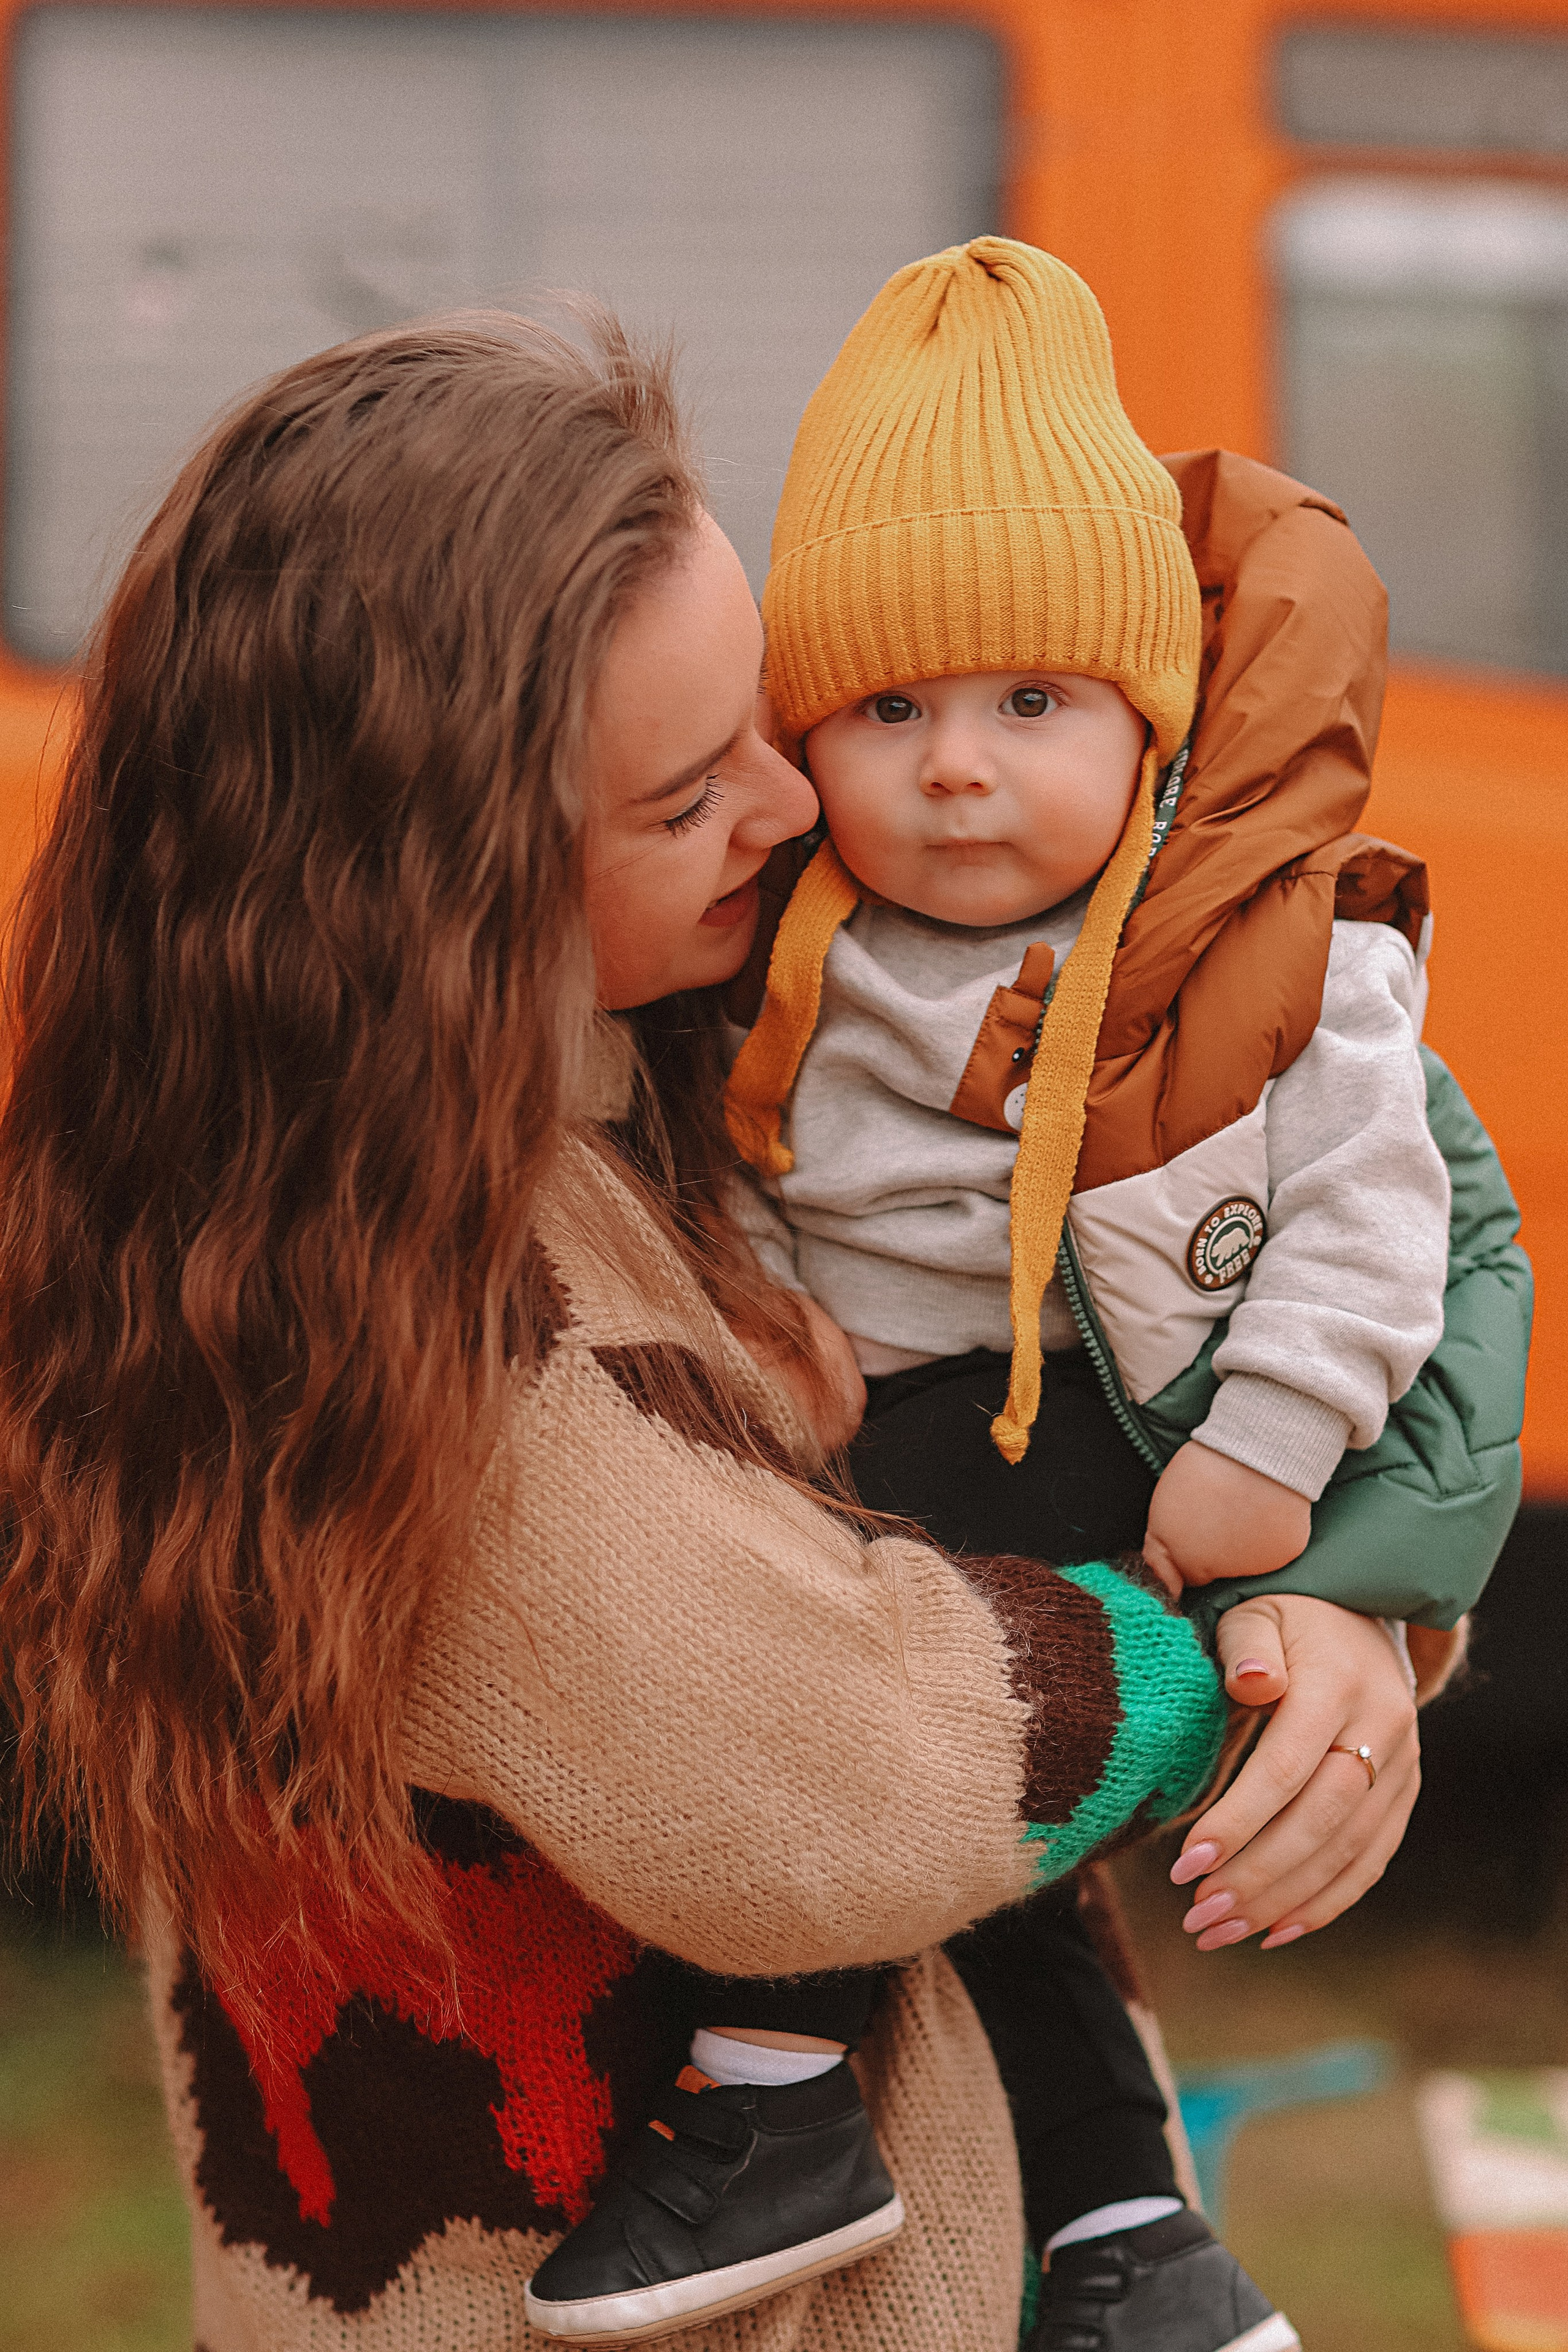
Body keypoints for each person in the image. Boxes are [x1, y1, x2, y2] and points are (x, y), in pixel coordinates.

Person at [0, 309, 1433, 2352]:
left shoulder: (358, 1179)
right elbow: (849, 1776)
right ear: (447, 897)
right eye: (686, 799)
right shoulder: (467, 1334)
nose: (791, 804)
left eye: (771, 717)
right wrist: (1280, 1633)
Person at [537, 244, 1531, 2351]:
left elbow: (1397, 1224)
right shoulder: (785, 923)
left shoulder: (1267, 946)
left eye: (1027, 706)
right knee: (992, 1832)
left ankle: (774, 2089)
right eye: (887, 711)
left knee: (899, 1695)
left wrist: (1284, 1481)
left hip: (1121, 1425)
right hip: (874, 1405)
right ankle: (1133, 2243)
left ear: (1140, 712)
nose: (956, 771)